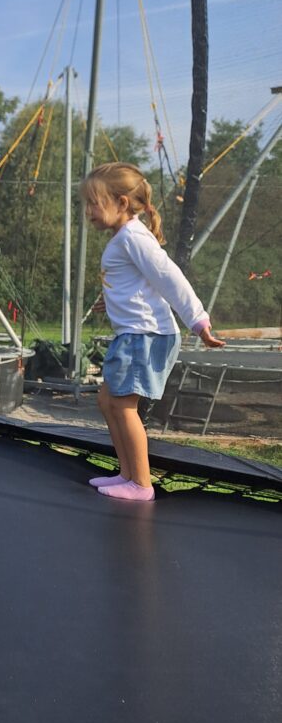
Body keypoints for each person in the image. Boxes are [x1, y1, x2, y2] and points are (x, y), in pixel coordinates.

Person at [82, 162, 224, 502]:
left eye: (94, 203)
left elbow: (169, 278)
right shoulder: (123, 238)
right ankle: (127, 473)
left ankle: (141, 484)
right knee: (107, 401)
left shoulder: (134, 237)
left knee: (123, 407)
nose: (88, 211)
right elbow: (135, 284)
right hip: (132, 334)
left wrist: (198, 320)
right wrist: (108, 299)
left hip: (144, 335)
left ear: (121, 203)